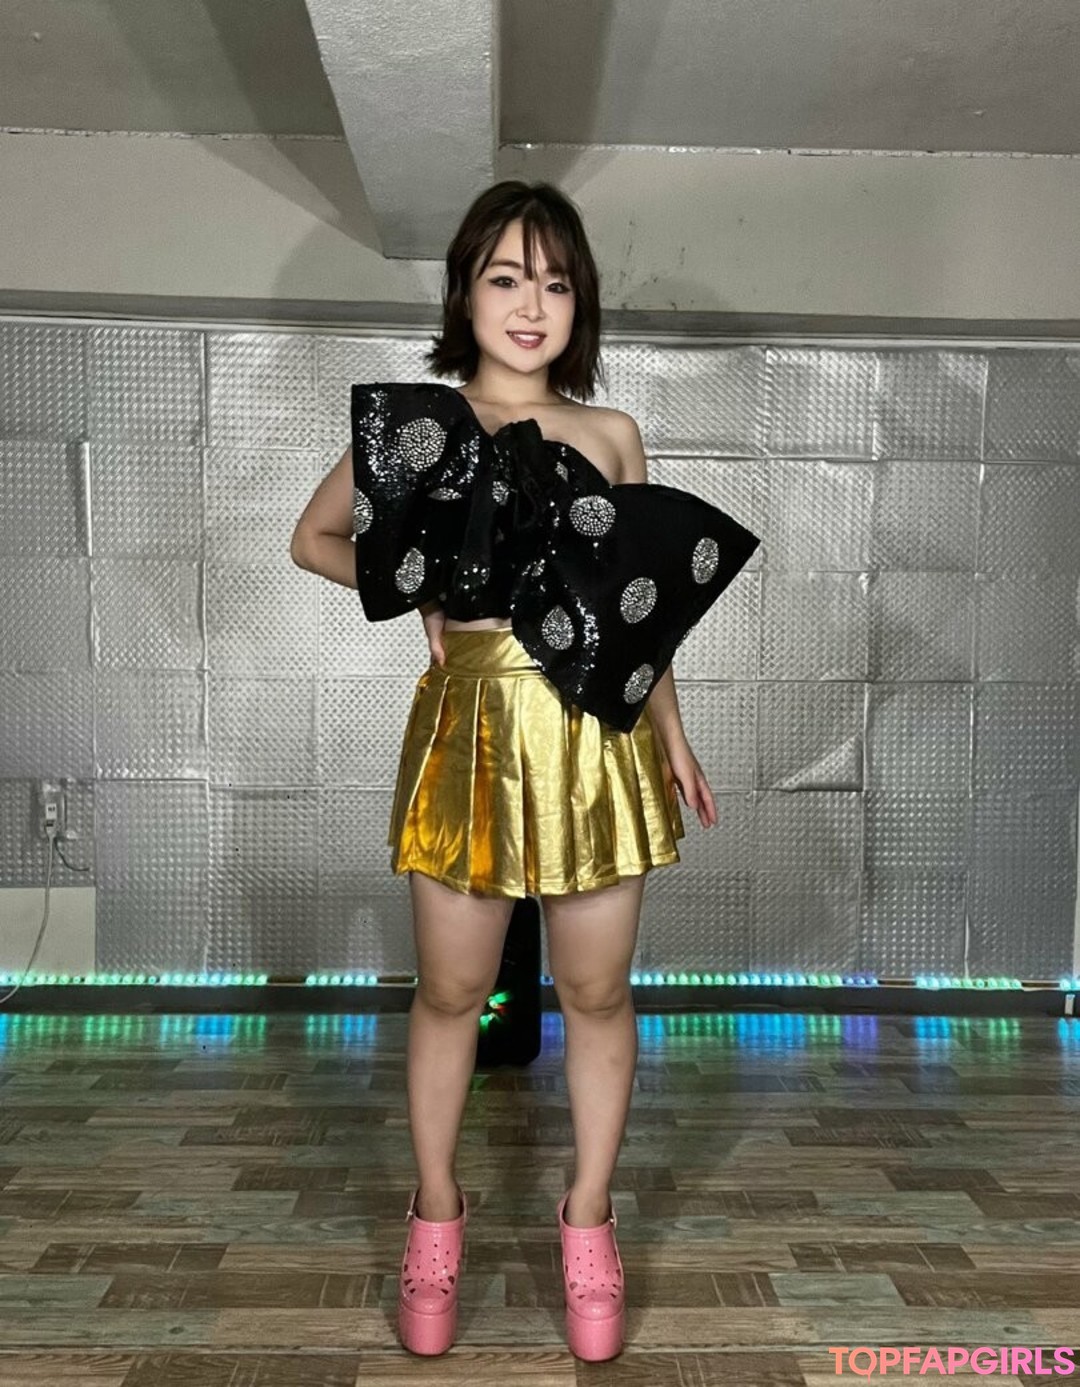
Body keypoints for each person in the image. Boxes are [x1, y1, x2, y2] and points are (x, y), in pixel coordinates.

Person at [290, 179, 760, 1361]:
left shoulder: (612, 434)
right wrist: (415, 596)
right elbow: (313, 538)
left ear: (578, 304)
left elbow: (638, 613)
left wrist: (674, 735)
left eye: (555, 282)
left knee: (598, 992)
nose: (531, 304)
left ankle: (589, 1219)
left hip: (598, 736)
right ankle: (436, 1216)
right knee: (451, 992)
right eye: (506, 277)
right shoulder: (421, 426)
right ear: (465, 293)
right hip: (474, 726)